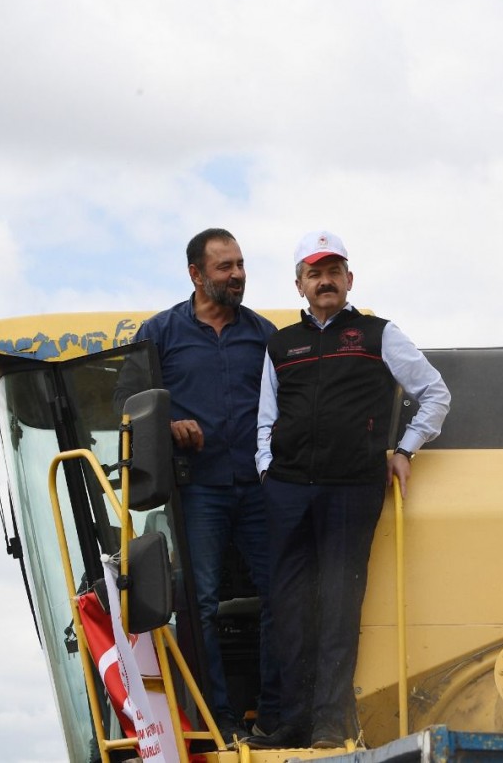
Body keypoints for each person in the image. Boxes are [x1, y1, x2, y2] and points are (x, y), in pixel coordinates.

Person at [251, 230, 449, 749]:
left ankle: (328, 724)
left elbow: (435, 393)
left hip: (351, 489)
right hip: (289, 490)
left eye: (334, 271)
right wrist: (268, 470)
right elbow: (265, 419)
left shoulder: (379, 334)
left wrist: (405, 450)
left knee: (340, 606)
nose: (325, 281)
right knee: (289, 609)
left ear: (349, 279)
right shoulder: (280, 345)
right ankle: (292, 722)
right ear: (300, 285)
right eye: (315, 274)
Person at [128, 227, 279, 740]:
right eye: (225, 267)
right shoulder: (159, 334)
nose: (237, 275)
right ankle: (219, 720)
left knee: (280, 595)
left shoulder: (264, 336)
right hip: (200, 492)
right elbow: (126, 404)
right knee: (202, 604)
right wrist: (167, 426)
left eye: (240, 265)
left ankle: (275, 714)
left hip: (259, 488)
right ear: (196, 274)